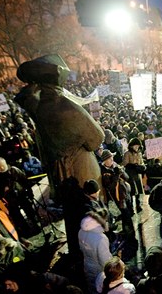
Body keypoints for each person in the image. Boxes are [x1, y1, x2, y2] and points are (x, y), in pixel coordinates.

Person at [15, 55, 105, 258]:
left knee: (73, 218)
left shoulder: (39, 109)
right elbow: (96, 139)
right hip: (81, 172)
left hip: (63, 176)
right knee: (87, 213)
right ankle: (91, 249)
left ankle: (77, 250)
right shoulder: (64, 106)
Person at [78, 210, 111, 294]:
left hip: (86, 265)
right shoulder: (101, 238)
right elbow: (105, 260)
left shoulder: (81, 231)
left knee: (92, 288)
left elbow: (81, 249)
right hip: (99, 270)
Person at [122, 137, 146, 213]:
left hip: (137, 174)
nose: (136, 147)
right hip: (130, 174)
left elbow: (141, 162)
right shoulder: (127, 153)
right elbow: (125, 163)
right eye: (135, 145)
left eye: (138, 146)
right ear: (131, 146)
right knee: (132, 191)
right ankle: (131, 207)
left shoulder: (139, 153)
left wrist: (142, 166)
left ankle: (138, 205)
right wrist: (133, 165)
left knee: (138, 191)